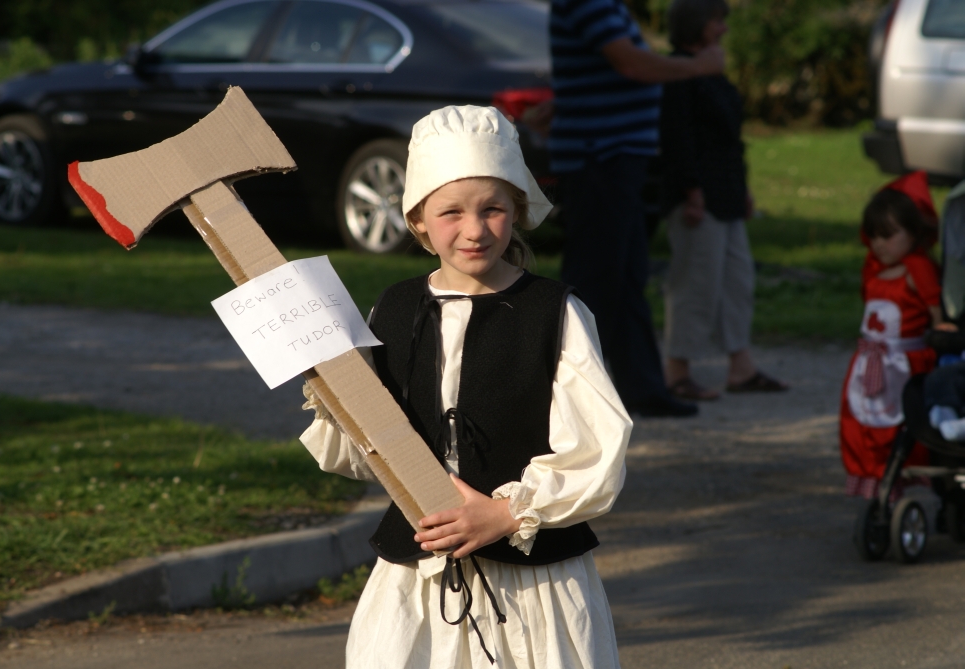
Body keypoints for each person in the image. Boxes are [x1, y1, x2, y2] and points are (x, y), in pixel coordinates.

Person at [301, 106, 631, 668]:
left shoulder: (555, 313)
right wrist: (335, 392)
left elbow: (598, 449)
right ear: (418, 221)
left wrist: (506, 515)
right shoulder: (394, 308)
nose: (474, 229)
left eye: (492, 209)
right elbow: (367, 451)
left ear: (517, 210)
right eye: (451, 211)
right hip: (418, 581)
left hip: (534, 587)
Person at [549, 0, 725, 418]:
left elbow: (596, 71)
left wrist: (563, 102)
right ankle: (560, 396)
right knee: (593, 280)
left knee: (626, 276)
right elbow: (629, 63)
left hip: (613, 158)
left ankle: (642, 388)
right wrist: (697, 66)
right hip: (600, 159)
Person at [659, 0, 787, 400]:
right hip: (698, 198)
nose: (724, 29)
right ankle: (677, 371)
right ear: (698, 24)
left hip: (727, 193)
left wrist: (742, 189)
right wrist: (691, 191)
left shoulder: (711, 73)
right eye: (717, 21)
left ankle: (741, 367)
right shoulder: (678, 73)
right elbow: (677, 137)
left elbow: (728, 139)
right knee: (694, 284)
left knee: (737, 281)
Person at [840, 172, 944, 499]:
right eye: (873, 236)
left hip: (903, 363)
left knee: (899, 421)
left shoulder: (917, 269)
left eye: (888, 235)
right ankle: (875, 479)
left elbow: (936, 314)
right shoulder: (877, 271)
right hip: (872, 363)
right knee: (863, 419)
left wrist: (941, 333)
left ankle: (898, 475)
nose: (879, 244)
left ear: (913, 233)